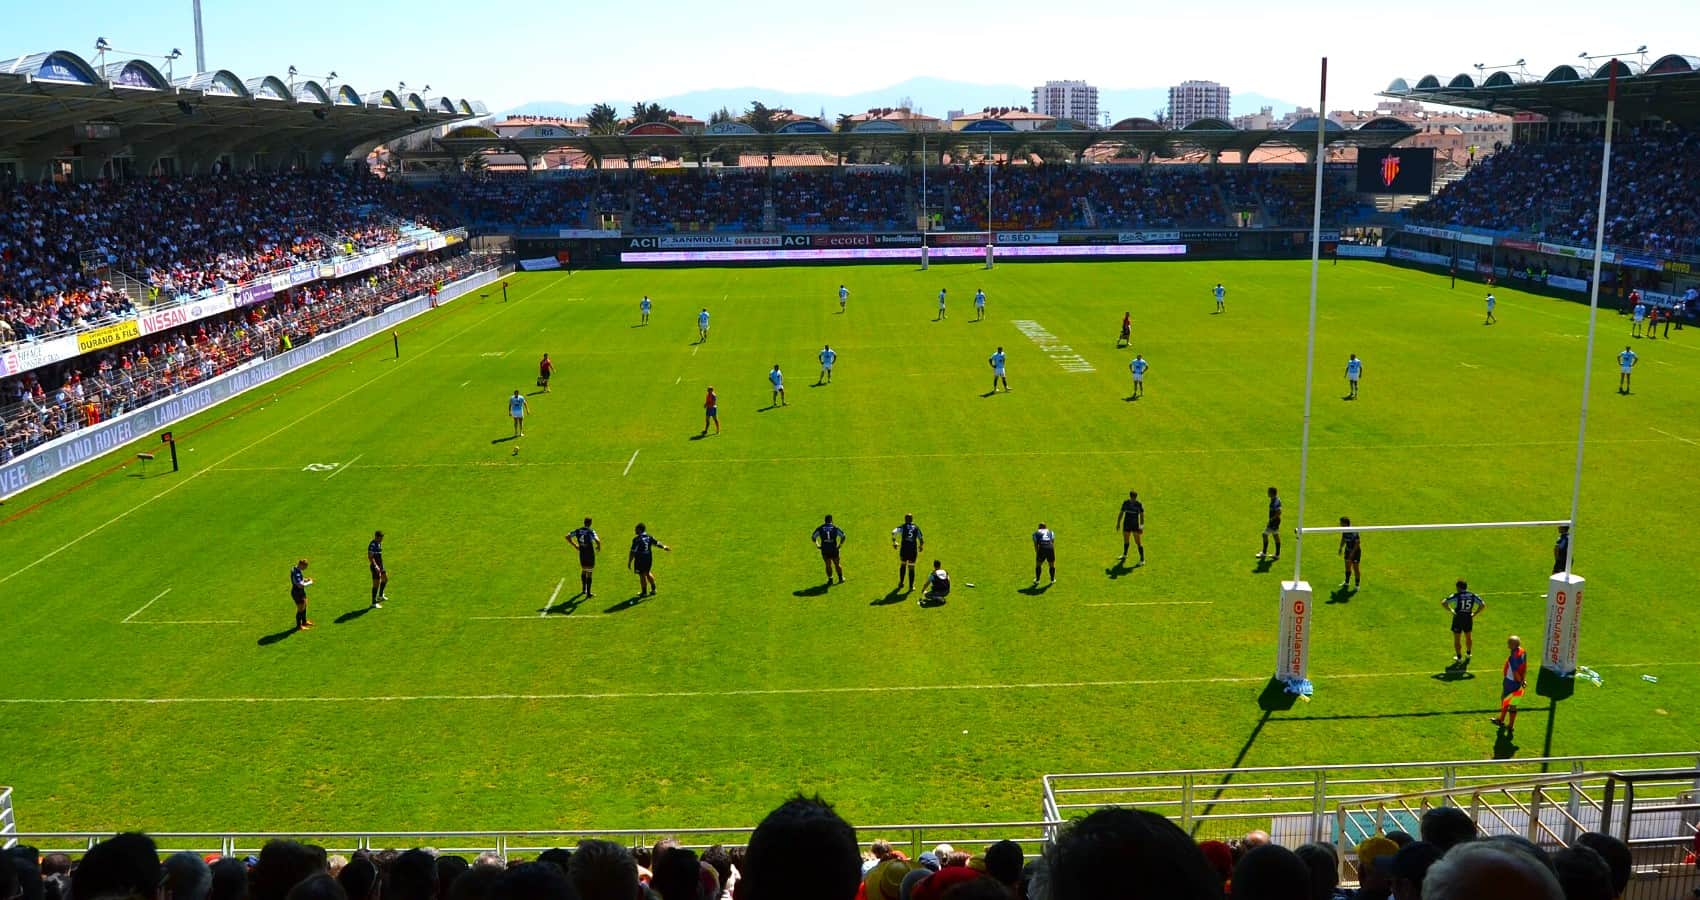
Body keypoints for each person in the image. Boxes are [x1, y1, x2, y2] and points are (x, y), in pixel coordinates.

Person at [1491, 634, 1528, 734]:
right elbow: (1525, 667)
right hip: (1518, 683)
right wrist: (1523, 680)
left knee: (1505, 700)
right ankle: (1511, 726)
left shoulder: (1514, 657)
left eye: (1509, 644)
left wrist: (1520, 681)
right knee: (1514, 704)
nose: (1508, 646)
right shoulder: (1523, 651)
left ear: (1513, 645)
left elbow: (1515, 672)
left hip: (1511, 682)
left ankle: (1501, 720)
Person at [1443, 580, 1485, 660]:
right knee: (1468, 637)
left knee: (1457, 639)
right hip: (1468, 618)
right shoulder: (1472, 595)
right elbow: (1482, 605)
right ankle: (1468, 653)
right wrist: (1474, 613)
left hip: (1458, 618)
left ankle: (1459, 657)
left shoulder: (1457, 595)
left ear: (1458, 587)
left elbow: (1444, 602)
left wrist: (1451, 610)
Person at [628, 523, 671, 598]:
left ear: (640, 530)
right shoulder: (649, 536)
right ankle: (654, 589)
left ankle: (644, 593)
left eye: (636, 529)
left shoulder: (636, 539)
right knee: (647, 573)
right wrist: (664, 547)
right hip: (648, 558)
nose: (635, 530)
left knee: (642, 575)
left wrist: (630, 561)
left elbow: (632, 552)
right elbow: (657, 543)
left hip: (640, 559)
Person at [567, 518, 602, 599]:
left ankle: (583, 589)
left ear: (584, 522)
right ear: (590, 523)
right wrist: (599, 547)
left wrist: (575, 545)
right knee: (589, 572)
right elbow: (597, 541)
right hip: (589, 554)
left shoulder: (578, 530)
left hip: (582, 553)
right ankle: (588, 593)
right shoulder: (591, 531)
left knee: (583, 570)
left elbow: (567, 536)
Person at [892, 514, 924, 592]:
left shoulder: (903, 527)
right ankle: (911, 586)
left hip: (904, 550)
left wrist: (894, 542)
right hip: (912, 551)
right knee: (911, 567)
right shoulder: (916, 527)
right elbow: (921, 539)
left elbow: (893, 532)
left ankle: (901, 583)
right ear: (912, 519)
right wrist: (921, 546)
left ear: (905, 519)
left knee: (903, 565)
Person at [811, 515, 846, 585]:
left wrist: (817, 544)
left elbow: (813, 537)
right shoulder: (835, 528)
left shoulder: (820, 528)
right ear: (831, 520)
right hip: (834, 549)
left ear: (825, 521)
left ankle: (830, 579)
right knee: (837, 564)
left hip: (825, 549)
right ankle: (841, 578)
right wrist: (840, 545)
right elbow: (843, 536)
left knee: (828, 565)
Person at [1117, 490, 1145, 564]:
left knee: (1138, 542)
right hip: (1126, 524)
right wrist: (1118, 523)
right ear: (1130, 497)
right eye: (1132, 498)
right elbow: (1121, 513)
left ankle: (1142, 560)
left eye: (1134, 498)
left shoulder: (1139, 504)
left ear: (1136, 497)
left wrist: (1141, 527)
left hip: (1135, 526)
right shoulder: (1126, 503)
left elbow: (1142, 516)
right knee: (1126, 540)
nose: (1133, 499)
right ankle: (1125, 555)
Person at [1258, 486, 1282, 560]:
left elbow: (1279, 512)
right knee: (1275, 536)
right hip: (1275, 521)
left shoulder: (1276, 501)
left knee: (1264, 534)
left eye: (1268, 492)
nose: (1267, 493)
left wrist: (1272, 519)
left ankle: (1264, 553)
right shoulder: (1274, 499)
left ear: (1272, 493)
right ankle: (1277, 554)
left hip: (1274, 522)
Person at [1338, 517, 1361, 590]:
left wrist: (1352, 554)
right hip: (1348, 550)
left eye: (1341, 523)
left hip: (1355, 552)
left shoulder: (1353, 531)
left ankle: (1357, 585)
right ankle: (1347, 582)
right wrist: (1341, 547)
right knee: (1347, 567)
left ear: (1345, 523)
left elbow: (1357, 543)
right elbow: (1343, 539)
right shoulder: (1344, 530)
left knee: (1355, 568)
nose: (1340, 524)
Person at [290, 559, 314, 630]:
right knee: (300, 609)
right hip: (297, 592)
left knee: (305, 605)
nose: (305, 568)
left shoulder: (296, 569)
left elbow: (300, 579)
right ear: (301, 565)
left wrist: (305, 579)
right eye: (305, 567)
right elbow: (300, 585)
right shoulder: (296, 572)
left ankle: (304, 622)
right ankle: (299, 626)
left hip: (300, 591)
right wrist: (310, 582)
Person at [367, 531, 388, 609]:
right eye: (380, 538)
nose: (382, 540)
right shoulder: (372, 545)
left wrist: (381, 565)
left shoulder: (379, 543)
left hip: (380, 565)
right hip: (375, 567)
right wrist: (375, 566)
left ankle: (380, 596)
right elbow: (370, 557)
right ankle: (373, 603)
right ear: (376, 537)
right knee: (376, 584)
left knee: (385, 579)